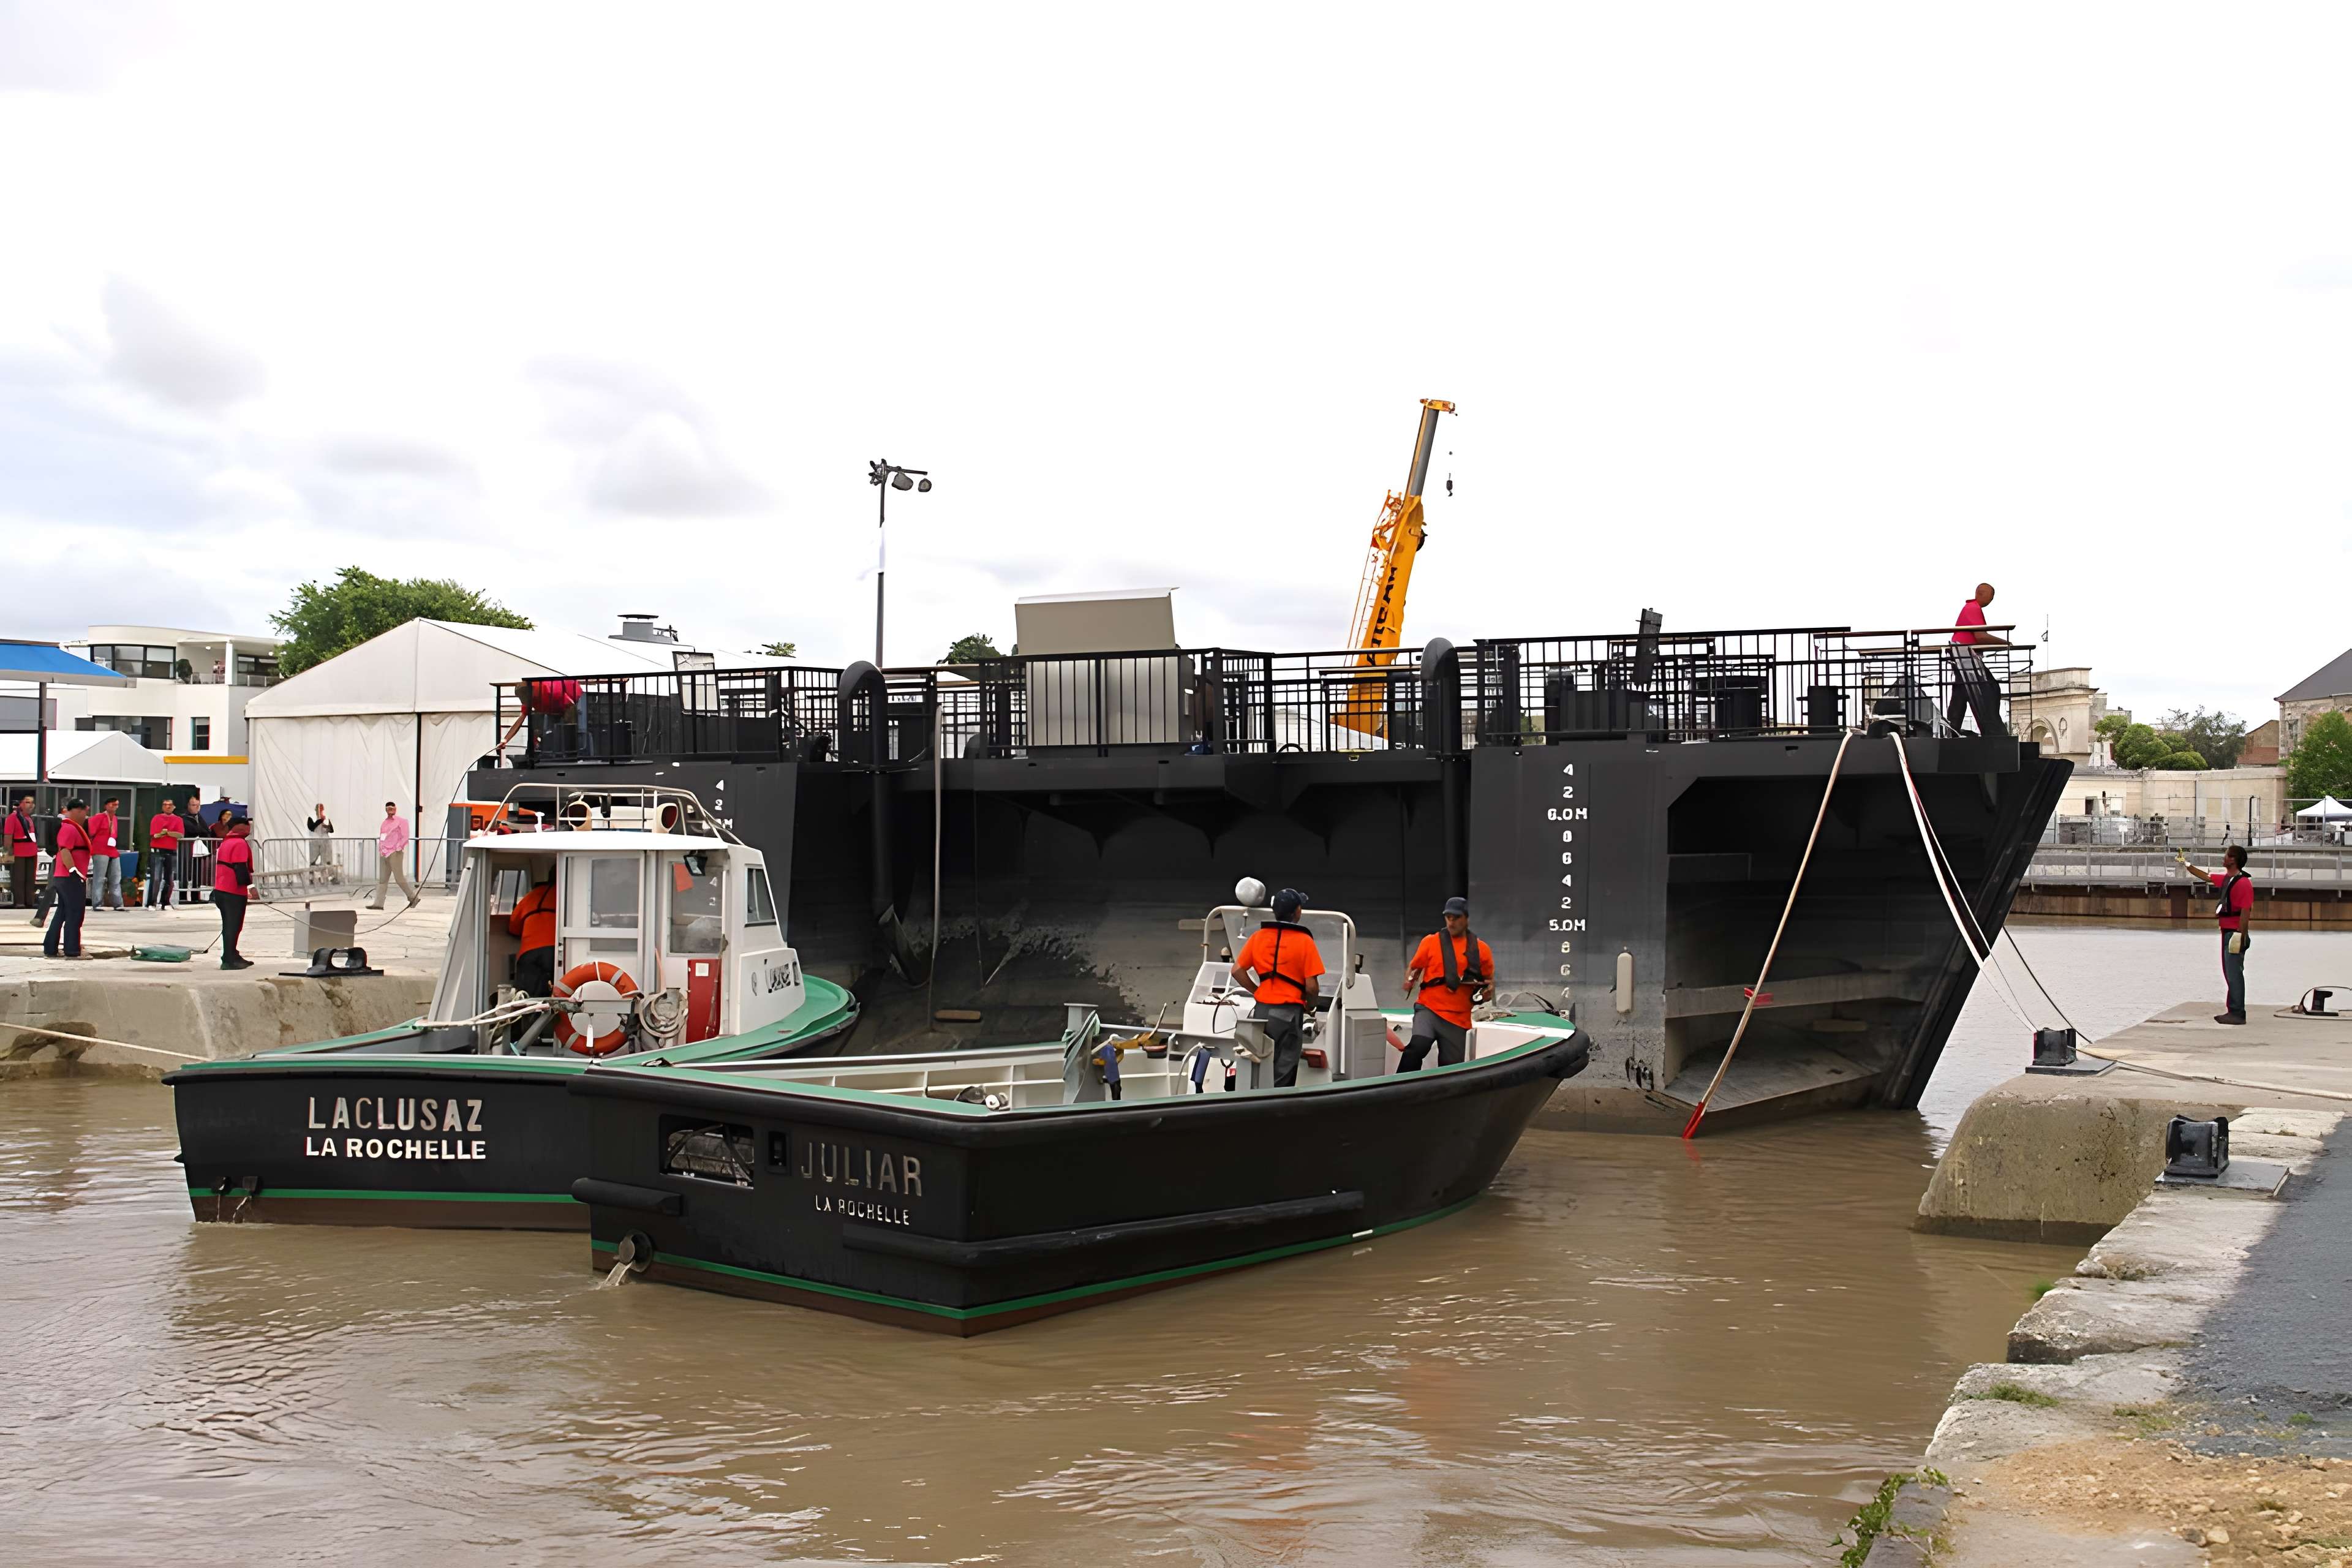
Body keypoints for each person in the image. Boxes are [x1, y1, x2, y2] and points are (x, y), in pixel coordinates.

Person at [1228, 887, 1323, 1088]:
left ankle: (1252, 1103)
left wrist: (1257, 992)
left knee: (1257, 1062)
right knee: (1283, 1070)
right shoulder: (1305, 941)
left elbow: (1237, 970)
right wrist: (1311, 1007)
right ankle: (1276, 1110)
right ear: (1297, 911)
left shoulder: (1258, 937)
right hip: (1289, 1013)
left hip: (1261, 1011)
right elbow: (1312, 987)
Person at [1398, 895, 1496, 1071]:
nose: (1451, 922)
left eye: (1456, 918)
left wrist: (1487, 993)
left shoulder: (1482, 950)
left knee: (1450, 1068)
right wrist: (1409, 980)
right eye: (1448, 917)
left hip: (1458, 1018)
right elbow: (1414, 967)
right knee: (1418, 1046)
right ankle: (1397, 1088)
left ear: (1466, 918)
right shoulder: (1430, 942)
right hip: (1429, 1008)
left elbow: (1488, 982)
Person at [2182, 845, 2255, 1025]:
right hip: (2227, 932)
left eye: (2226, 855)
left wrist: (2242, 936)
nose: (2223, 858)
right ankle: (2233, 1010)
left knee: (2234, 974)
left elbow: (2246, 911)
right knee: (2230, 973)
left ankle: (2237, 1013)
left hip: (2235, 934)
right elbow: (2206, 877)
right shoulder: (2227, 880)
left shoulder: (2244, 883)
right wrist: (2186, 864)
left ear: (2233, 860)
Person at [1945, 582, 2011, 739]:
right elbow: (1981, 636)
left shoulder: (1971, 608)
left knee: (1961, 694)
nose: (1992, 599)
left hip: (1963, 655)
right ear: (1983, 594)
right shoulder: (1973, 608)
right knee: (1990, 688)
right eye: (1992, 595)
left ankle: (1951, 730)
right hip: (1964, 656)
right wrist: (2005, 642)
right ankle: (1994, 732)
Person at [42, 799, 91, 959]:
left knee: (63, 912)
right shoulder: (69, 829)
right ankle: (72, 949)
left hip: (65, 877)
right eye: (85, 812)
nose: (86, 816)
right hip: (70, 878)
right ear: (77, 810)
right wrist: (74, 871)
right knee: (75, 914)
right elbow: (65, 851)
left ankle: (50, 948)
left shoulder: (70, 828)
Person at [213, 812, 254, 969]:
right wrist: (250, 887)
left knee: (229, 925)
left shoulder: (226, 842)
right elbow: (240, 868)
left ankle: (231, 954)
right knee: (234, 925)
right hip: (233, 891)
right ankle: (229, 960)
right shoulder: (239, 843)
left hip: (221, 889)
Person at [508, 869, 557, 997]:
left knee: (529, 995)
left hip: (530, 953)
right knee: (562, 992)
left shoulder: (530, 896)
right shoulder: (568, 896)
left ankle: (532, 1015)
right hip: (558, 951)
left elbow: (513, 928)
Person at [368, 801, 417, 910]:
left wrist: (398, 848)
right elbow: (383, 837)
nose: (391, 810)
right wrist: (381, 849)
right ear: (386, 810)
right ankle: (379, 904)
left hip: (395, 853)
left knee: (399, 878)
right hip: (385, 853)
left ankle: (413, 898)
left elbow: (405, 836)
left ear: (396, 809)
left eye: (393, 808)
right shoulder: (384, 823)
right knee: (383, 880)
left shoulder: (402, 821)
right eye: (389, 809)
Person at [146, 795, 185, 910]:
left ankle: (165, 902)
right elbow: (155, 835)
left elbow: (180, 835)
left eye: (170, 805)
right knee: (156, 878)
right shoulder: (157, 818)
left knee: (169, 879)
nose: (167, 807)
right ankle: (152, 902)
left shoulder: (178, 820)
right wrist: (165, 834)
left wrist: (167, 833)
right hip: (157, 851)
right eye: (165, 805)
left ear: (174, 807)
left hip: (171, 851)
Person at [87, 796, 125, 911]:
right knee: (99, 878)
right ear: (106, 806)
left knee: (116, 878)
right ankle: (97, 903)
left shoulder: (115, 819)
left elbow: (114, 833)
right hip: (100, 849)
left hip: (112, 850)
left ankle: (118, 904)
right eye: (113, 804)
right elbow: (91, 831)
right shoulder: (99, 817)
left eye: (117, 805)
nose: (115, 807)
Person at [6, 794, 39, 914]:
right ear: (21, 804)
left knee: (30, 877)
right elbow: (8, 835)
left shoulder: (30, 818)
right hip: (19, 851)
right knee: (19, 878)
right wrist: (9, 850)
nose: (31, 805)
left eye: (32, 802)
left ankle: (29, 901)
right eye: (27, 802)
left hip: (31, 850)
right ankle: (20, 902)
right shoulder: (13, 818)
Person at [306, 803, 334, 867]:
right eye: (320, 810)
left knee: (325, 857)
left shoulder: (324, 821)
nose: (321, 812)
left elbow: (331, 830)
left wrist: (327, 824)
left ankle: (324, 863)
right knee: (314, 855)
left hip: (324, 842)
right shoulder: (313, 819)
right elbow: (312, 828)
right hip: (316, 842)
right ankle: (314, 863)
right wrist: (321, 820)